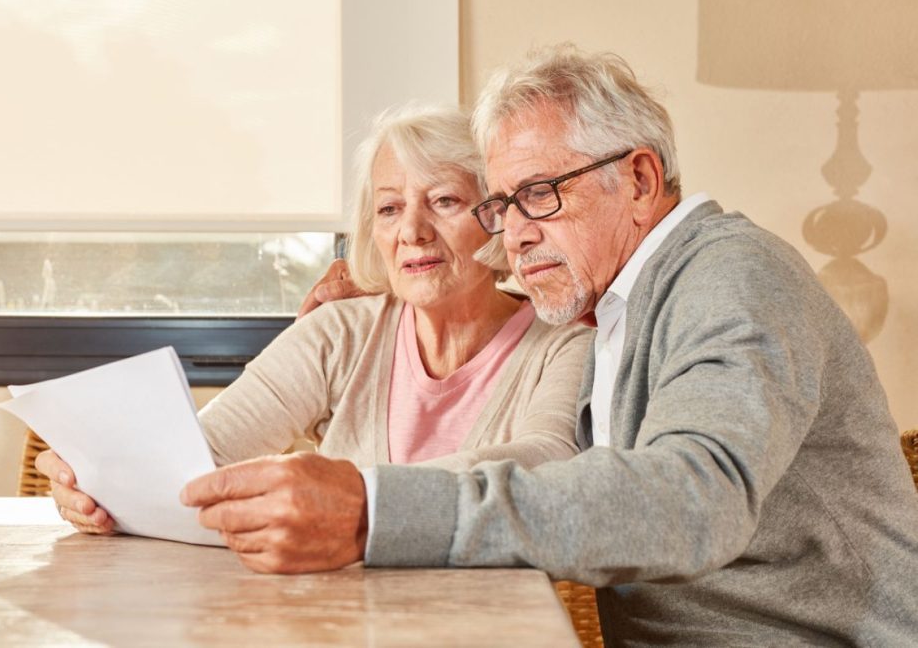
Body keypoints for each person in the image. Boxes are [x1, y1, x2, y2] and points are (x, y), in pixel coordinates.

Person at [179, 46, 918, 644]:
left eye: (540, 193)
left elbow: (693, 501)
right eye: (501, 205)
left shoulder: (732, 277)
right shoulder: (606, 307)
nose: (517, 230)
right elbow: (479, 277)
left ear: (638, 177)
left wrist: (375, 507)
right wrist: (388, 283)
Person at [37, 104, 590, 540]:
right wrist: (95, 477)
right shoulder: (339, 332)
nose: (412, 232)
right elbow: (202, 456)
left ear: (495, 215)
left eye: (444, 200)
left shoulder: (562, 344)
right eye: (390, 208)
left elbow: (546, 463)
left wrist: (351, 494)